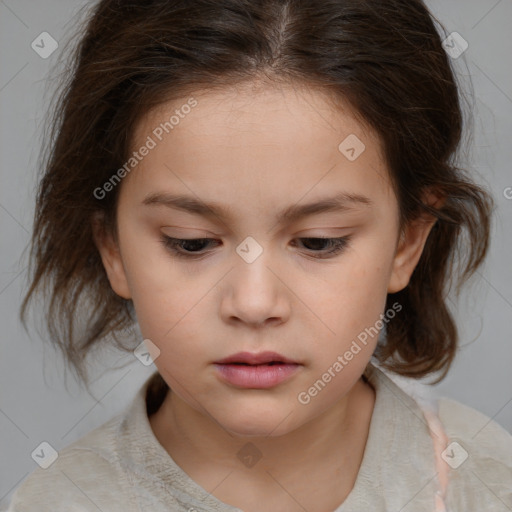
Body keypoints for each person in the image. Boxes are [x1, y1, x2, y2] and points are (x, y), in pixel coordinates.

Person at [7, 0, 512, 510]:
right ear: (112, 248)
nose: (253, 303)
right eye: (192, 242)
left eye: (318, 242)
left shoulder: (491, 484)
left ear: (407, 241)